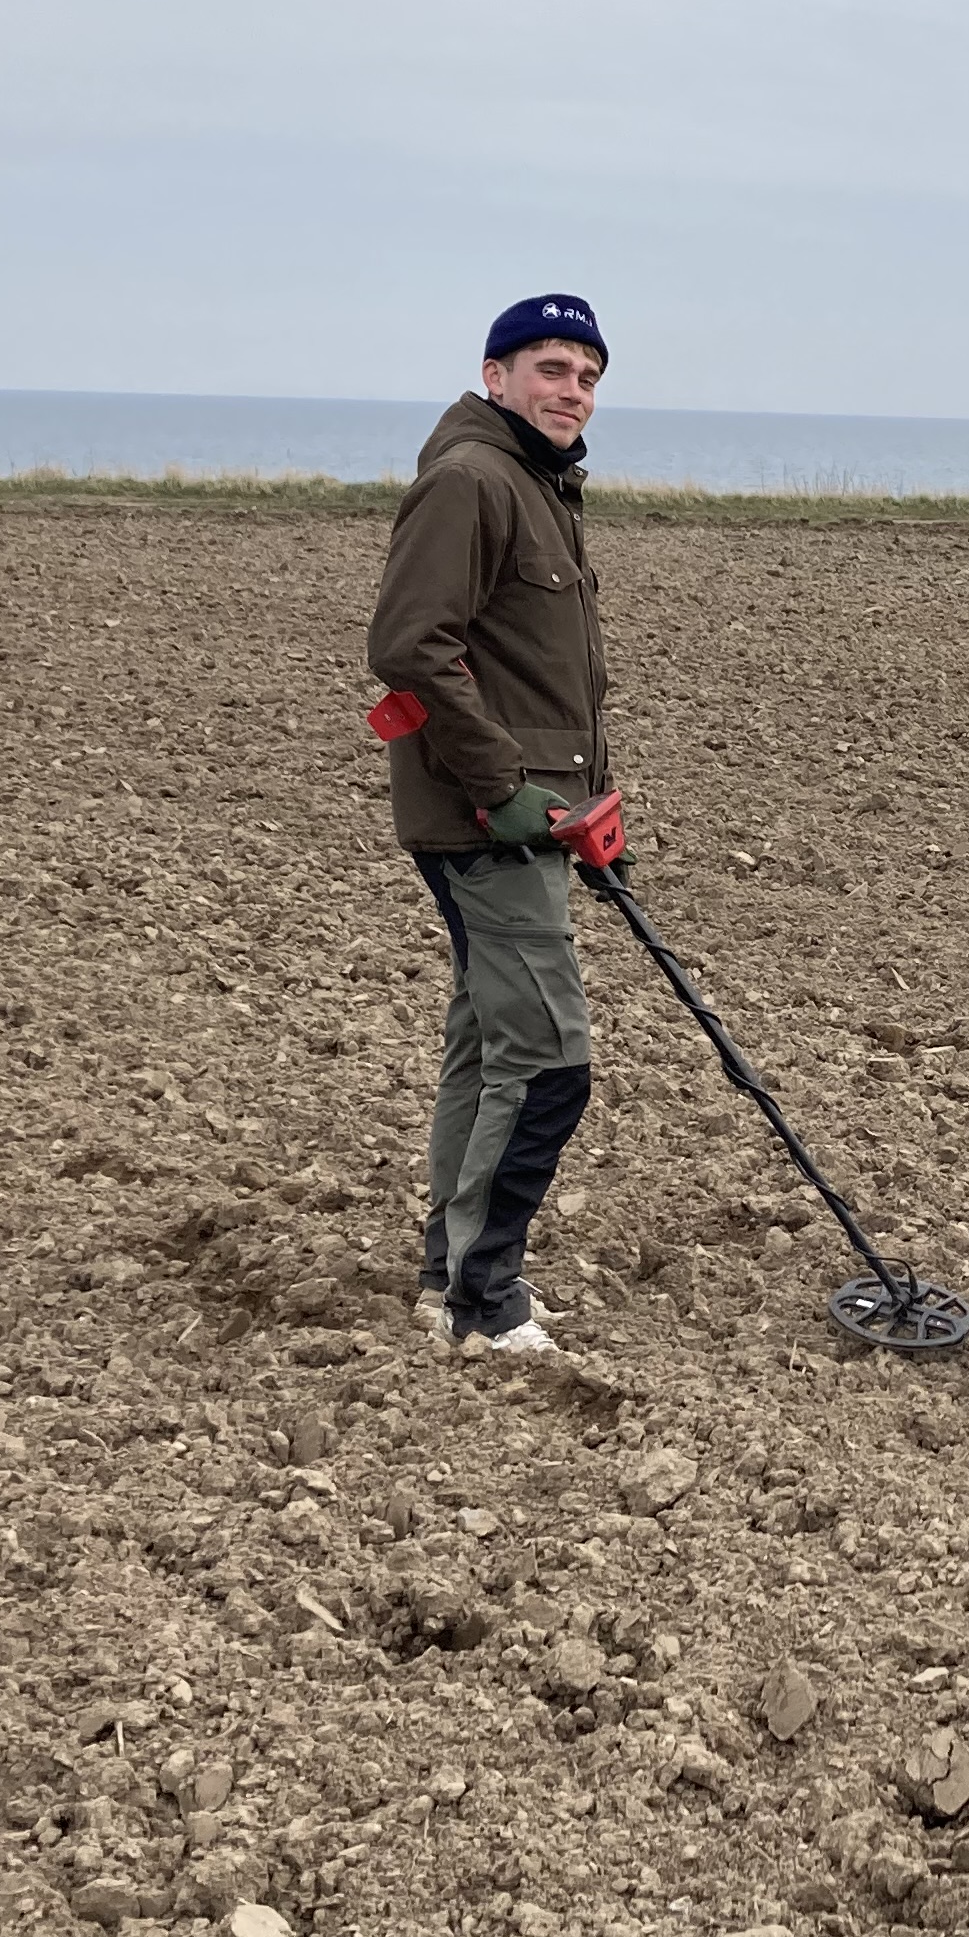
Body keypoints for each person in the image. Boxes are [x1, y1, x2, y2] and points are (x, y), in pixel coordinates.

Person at [367, 293, 618, 1350]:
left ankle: (450, 1275)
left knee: (488, 1048)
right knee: (549, 1061)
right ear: (497, 373)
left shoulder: (533, 483)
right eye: (553, 369)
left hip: (534, 816)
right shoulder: (472, 480)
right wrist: (504, 784)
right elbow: (411, 646)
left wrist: (589, 806)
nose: (573, 391)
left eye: (589, 376)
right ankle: (483, 1299)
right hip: (488, 821)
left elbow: (537, 669)